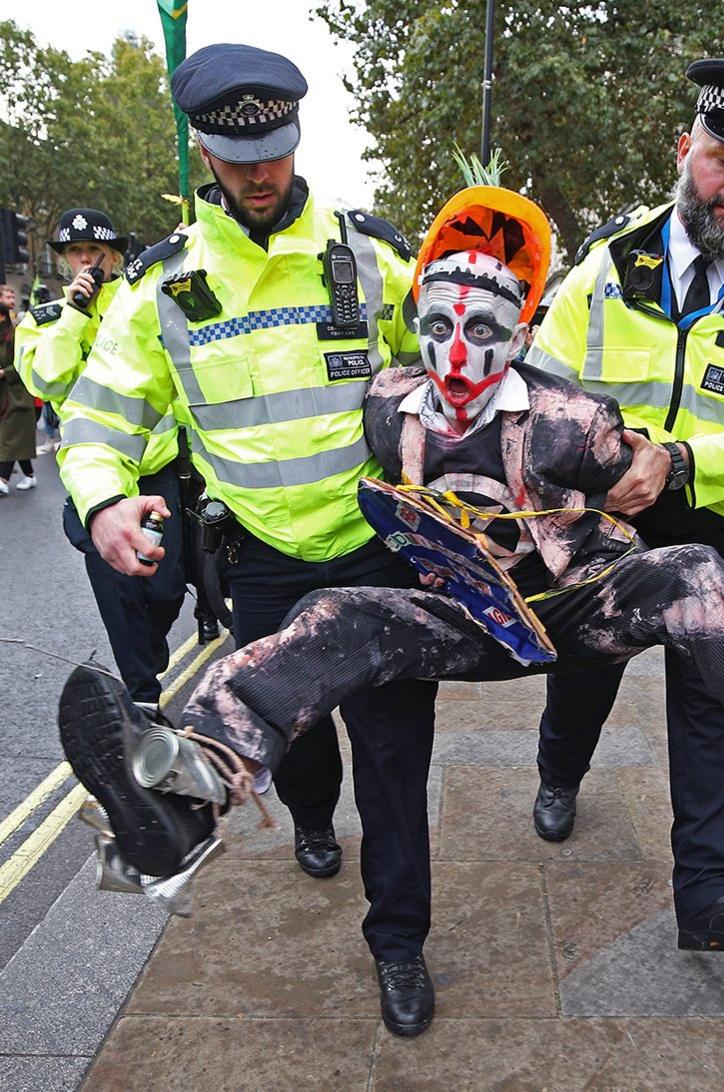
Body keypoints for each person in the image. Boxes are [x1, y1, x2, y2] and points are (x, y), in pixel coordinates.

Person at [57, 185, 724, 1034]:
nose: (457, 356)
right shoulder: (382, 407)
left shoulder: (572, 418)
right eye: (440, 327)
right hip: (453, 620)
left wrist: (624, 493)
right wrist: (119, 495)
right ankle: (182, 797)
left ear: (522, 330)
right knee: (336, 611)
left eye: (485, 331)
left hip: (568, 610)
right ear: (415, 325)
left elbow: (645, 484)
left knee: (696, 570)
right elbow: (236, 414)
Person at [54, 42, 440, 1018]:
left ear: (297, 135)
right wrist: (103, 500)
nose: (262, 172)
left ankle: (399, 943)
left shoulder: (368, 257)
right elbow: (98, 417)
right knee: (300, 740)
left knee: (396, 762)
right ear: (205, 151)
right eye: (238, 153)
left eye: (274, 145)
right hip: (264, 567)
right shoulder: (164, 289)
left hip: (382, 554)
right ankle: (312, 815)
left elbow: (447, 371)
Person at [524, 59, 724, 951]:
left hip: (722, 524)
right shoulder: (603, 266)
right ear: (685, 150)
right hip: (609, 522)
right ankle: (559, 771)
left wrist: (681, 460)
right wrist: (598, 464)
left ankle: (709, 896)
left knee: (717, 703)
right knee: (581, 672)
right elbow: (546, 388)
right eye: (723, 160)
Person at [15, 209, 186, 704]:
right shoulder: (46, 319)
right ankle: (142, 692)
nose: (86, 259)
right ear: (66, 260)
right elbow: (45, 381)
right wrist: (74, 315)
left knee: (166, 587)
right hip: (95, 479)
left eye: (96, 251)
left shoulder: (141, 302)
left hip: (158, 468)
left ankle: (146, 653)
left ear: (114, 255)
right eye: (75, 252)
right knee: (117, 587)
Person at [0, 283, 37, 495]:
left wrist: (5, 372)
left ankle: (2, 478)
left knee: (10, 437)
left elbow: (22, 361)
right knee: (15, 439)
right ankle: (30, 475)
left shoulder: (15, 335)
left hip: (16, 395)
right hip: (4, 395)